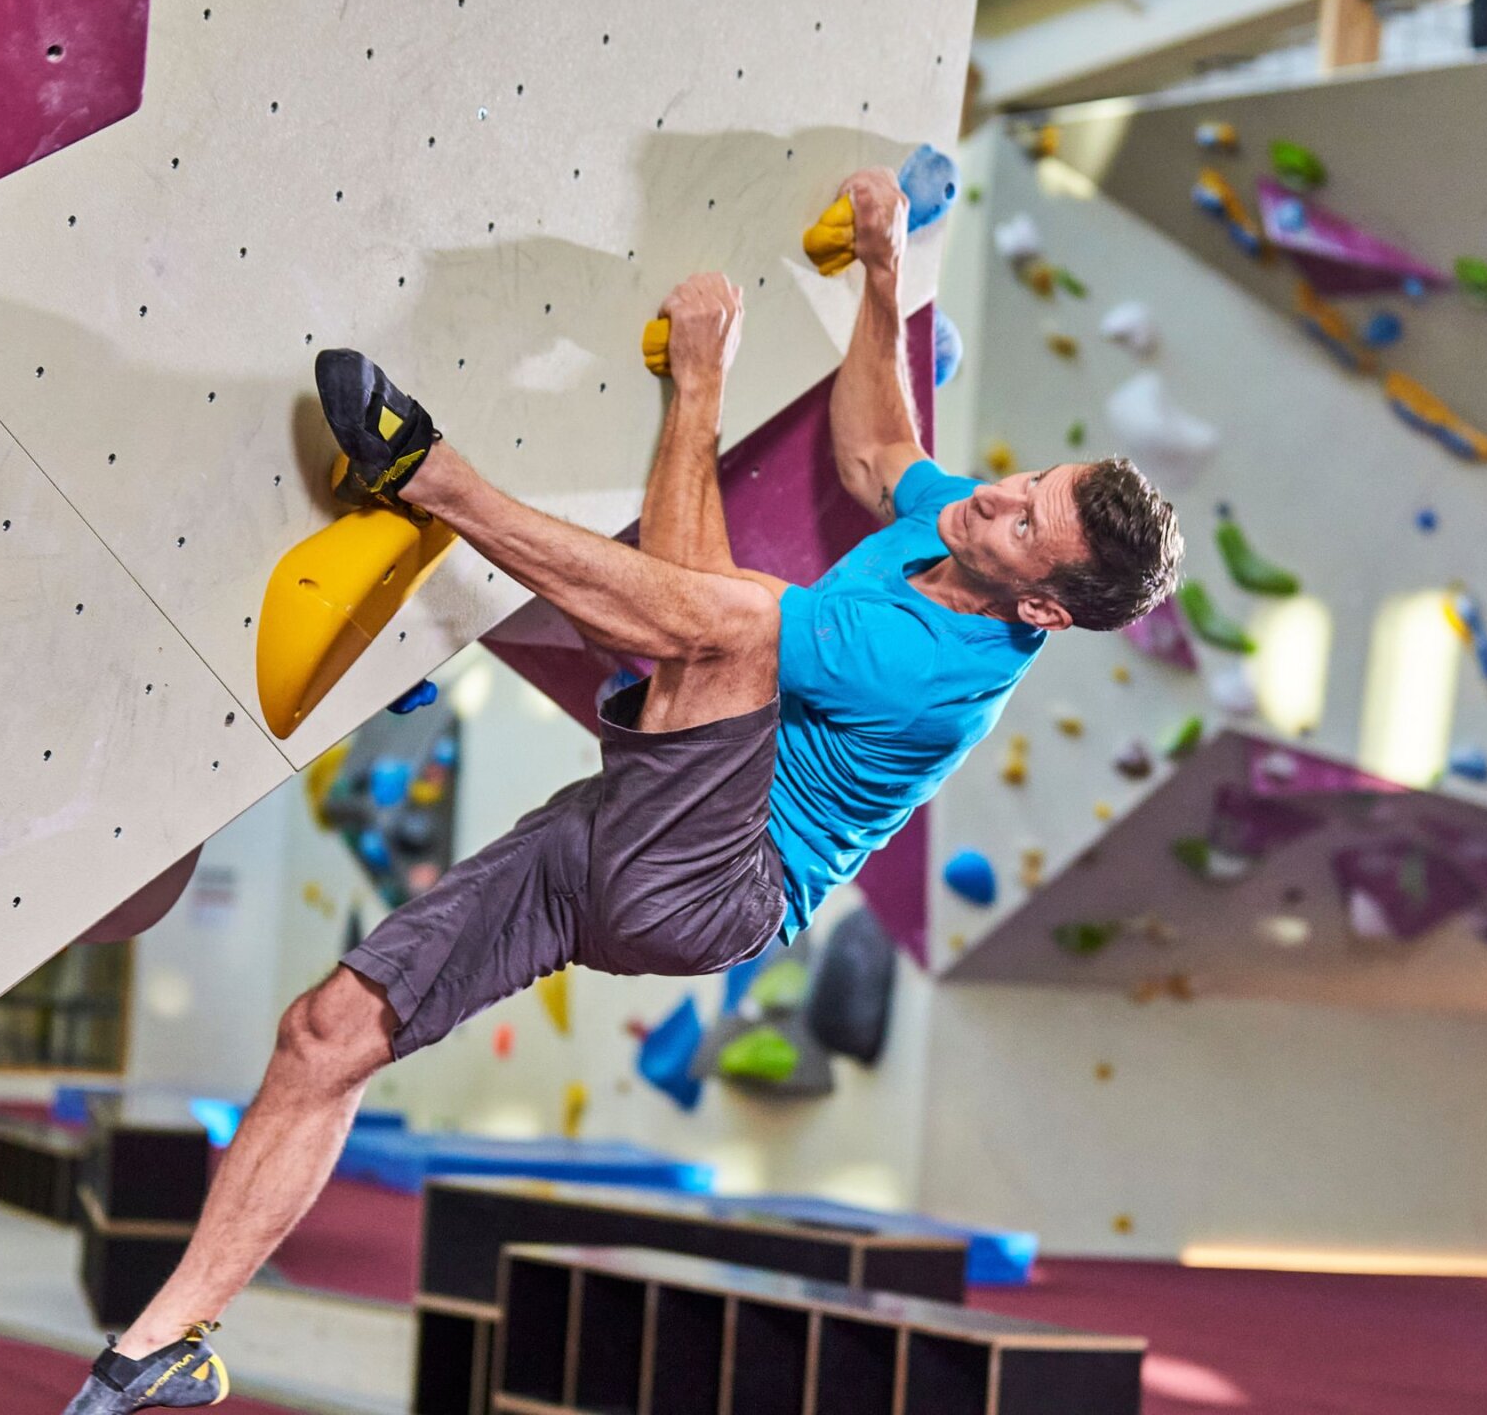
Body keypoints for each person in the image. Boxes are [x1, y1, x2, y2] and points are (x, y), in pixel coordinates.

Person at [63, 167, 1183, 1412]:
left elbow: (691, 622)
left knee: (744, 625)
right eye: (1032, 480)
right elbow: (880, 451)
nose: (1001, 495)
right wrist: (882, 276)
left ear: (1043, 607)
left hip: (715, 886)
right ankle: (166, 1346)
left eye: (1029, 522)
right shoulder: (954, 531)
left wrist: (696, 385)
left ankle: (431, 479)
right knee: (329, 1034)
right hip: (622, 832)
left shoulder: (937, 672)